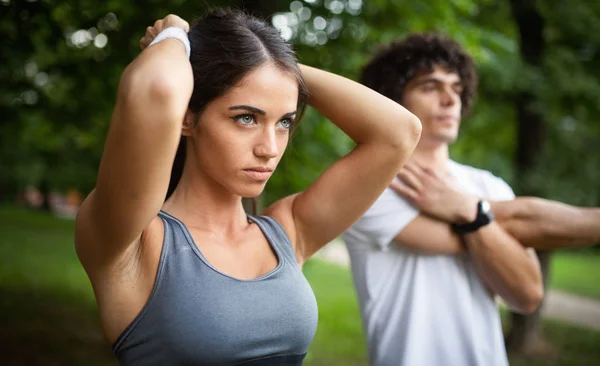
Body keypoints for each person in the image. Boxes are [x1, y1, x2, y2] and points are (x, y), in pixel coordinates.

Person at [74, 8, 421, 366]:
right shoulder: (131, 240)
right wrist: (175, 36)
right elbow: (157, 89)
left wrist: (275, 68)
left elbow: (399, 132)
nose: (269, 148)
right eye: (246, 118)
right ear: (188, 117)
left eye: (284, 122)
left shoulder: (288, 232)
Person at [343, 33, 600, 366]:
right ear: (392, 102)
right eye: (430, 87)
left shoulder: (488, 185)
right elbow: (520, 221)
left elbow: (527, 295)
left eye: (457, 88)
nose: (451, 100)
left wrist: (468, 209)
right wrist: (484, 221)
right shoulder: (372, 188)